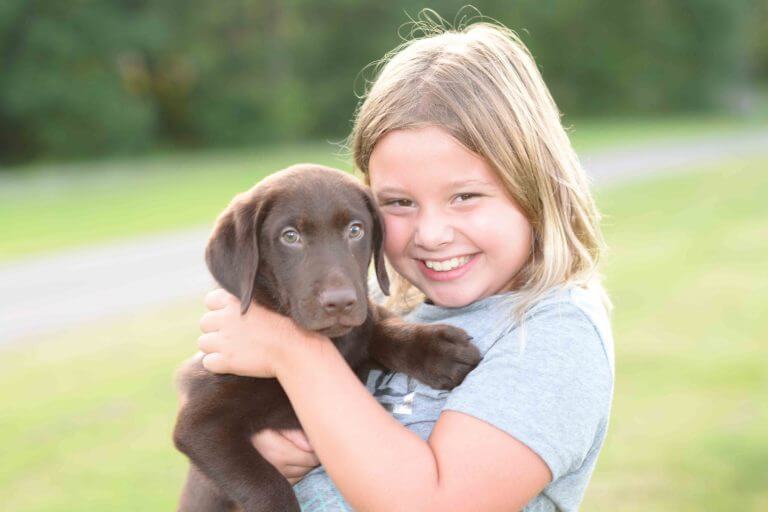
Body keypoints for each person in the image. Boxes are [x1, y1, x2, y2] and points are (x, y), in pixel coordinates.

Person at [196, 16, 614, 512]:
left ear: (534, 190)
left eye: (464, 196)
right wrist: (254, 448)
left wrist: (294, 351)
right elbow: (209, 421)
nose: (432, 234)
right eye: (399, 203)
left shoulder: (552, 335)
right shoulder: (385, 316)